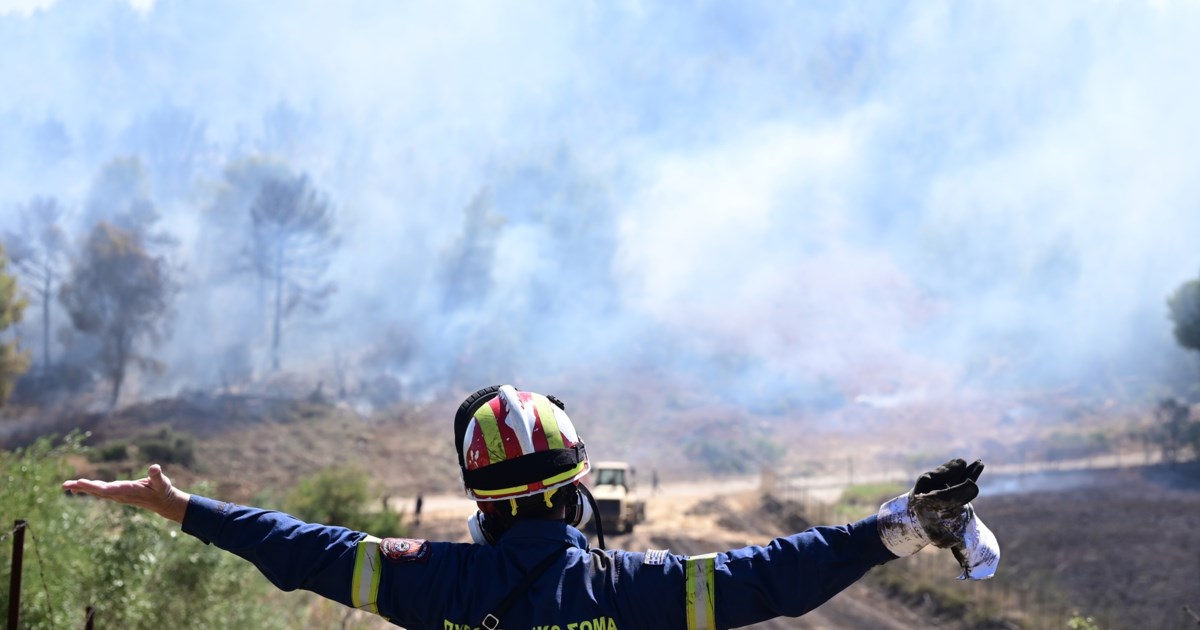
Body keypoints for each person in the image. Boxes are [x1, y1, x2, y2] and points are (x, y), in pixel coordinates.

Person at [63, 384, 997, 630]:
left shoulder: (429, 582)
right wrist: (897, 527)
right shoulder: (634, 589)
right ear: (575, 494)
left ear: (485, 502)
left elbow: (303, 548)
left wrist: (182, 507)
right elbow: (773, 577)